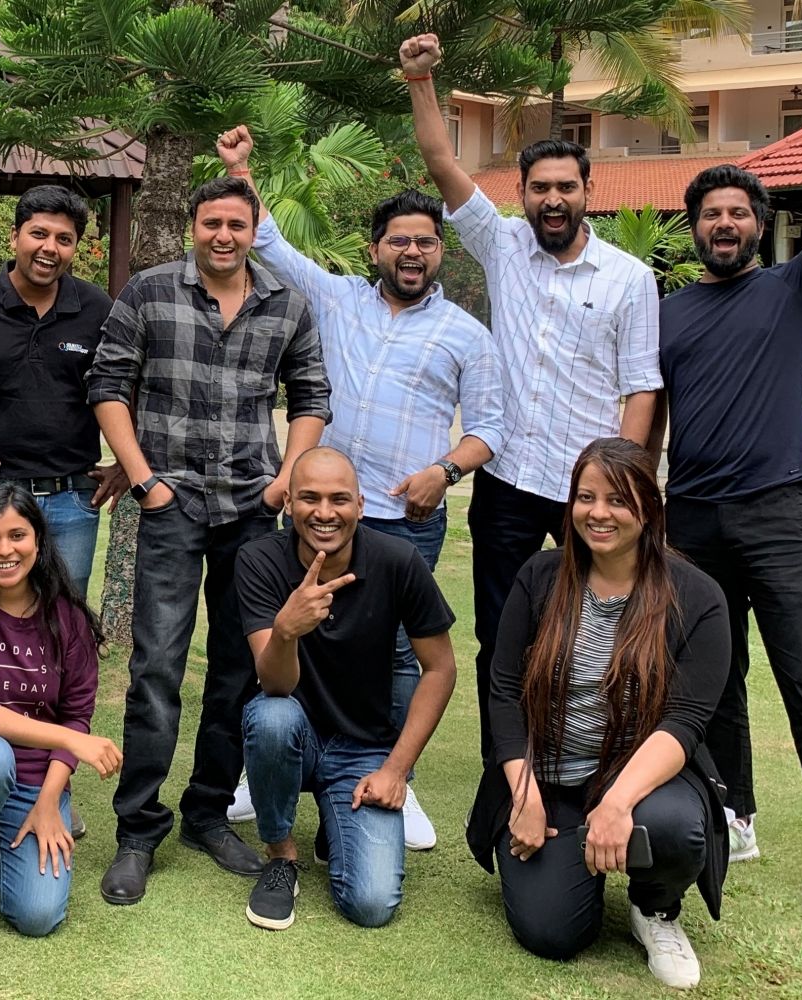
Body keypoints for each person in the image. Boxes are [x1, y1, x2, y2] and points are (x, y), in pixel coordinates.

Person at [215, 124, 505, 849]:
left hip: (405, 521)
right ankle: (268, 767)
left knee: (402, 655)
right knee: (289, 630)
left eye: (425, 242)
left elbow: (491, 428)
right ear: (376, 249)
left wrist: (445, 471)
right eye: (399, 240)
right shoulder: (337, 297)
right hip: (321, 513)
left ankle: (394, 776)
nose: (412, 252)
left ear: (440, 253)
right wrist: (241, 169)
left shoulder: (467, 334)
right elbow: (271, 243)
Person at [654, 53, 802, 922]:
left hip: (778, 509)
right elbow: (649, 418)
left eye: (737, 213)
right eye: (710, 213)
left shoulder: (793, 288)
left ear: (758, 226)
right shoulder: (668, 312)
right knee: (713, 677)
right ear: (694, 227)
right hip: (691, 517)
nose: (724, 223)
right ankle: (734, 815)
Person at [402, 34, 663, 761]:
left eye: (565, 188)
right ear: (521, 194)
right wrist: (421, 80)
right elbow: (441, 161)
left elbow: (641, 385)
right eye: (540, 188)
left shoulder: (628, 279)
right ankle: (505, 776)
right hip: (509, 480)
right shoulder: (502, 247)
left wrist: (623, 484)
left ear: (587, 193)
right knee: (501, 636)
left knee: (604, 633)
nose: (553, 200)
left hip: (592, 490)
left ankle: (597, 767)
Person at [86, 176, 332, 906]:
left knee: (237, 669)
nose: (223, 236)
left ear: (253, 230)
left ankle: (206, 813)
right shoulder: (150, 292)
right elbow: (107, 384)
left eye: (236, 224)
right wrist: (144, 482)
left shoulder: (286, 302)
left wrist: (285, 478)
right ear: (192, 227)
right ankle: (138, 831)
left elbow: (311, 394)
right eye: (211, 223)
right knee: (156, 670)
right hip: (171, 505)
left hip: (251, 509)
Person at [467, 438, 730, 990]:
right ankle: (576, 859)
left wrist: (617, 802)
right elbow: (504, 690)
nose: (598, 513)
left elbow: (684, 721)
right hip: (549, 781)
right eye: (585, 497)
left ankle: (655, 907)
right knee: (551, 933)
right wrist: (524, 794)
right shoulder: (540, 577)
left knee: (673, 829)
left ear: (648, 509)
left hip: (640, 779)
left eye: (617, 500)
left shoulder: (696, 596)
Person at [0, 184, 125, 849]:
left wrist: (127, 463)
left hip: (68, 500)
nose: (49, 247)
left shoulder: (97, 310)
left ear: (77, 247)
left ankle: (52, 782)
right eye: (38, 233)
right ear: (15, 237)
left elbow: (125, 387)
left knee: (61, 638)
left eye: (64, 238)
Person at [236, 448, 457, 931]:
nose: (324, 512)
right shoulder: (259, 560)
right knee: (271, 716)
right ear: (288, 503)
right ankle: (281, 856)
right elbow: (275, 684)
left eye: (339, 499)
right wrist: (287, 630)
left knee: (371, 905)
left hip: (364, 747)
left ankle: (335, 827)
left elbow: (440, 669)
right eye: (309, 498)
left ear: (360, 504)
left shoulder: (398, 560)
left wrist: (396, 770)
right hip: (294, 734)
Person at [0, 482, 121, 950]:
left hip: (35, 778)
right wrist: (70, 740)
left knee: (38, 915)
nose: (4, 551)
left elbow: (76, 715)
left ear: (39, 540)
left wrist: (50, 801)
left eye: (17, 535)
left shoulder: (69, 617)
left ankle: (2, 820)